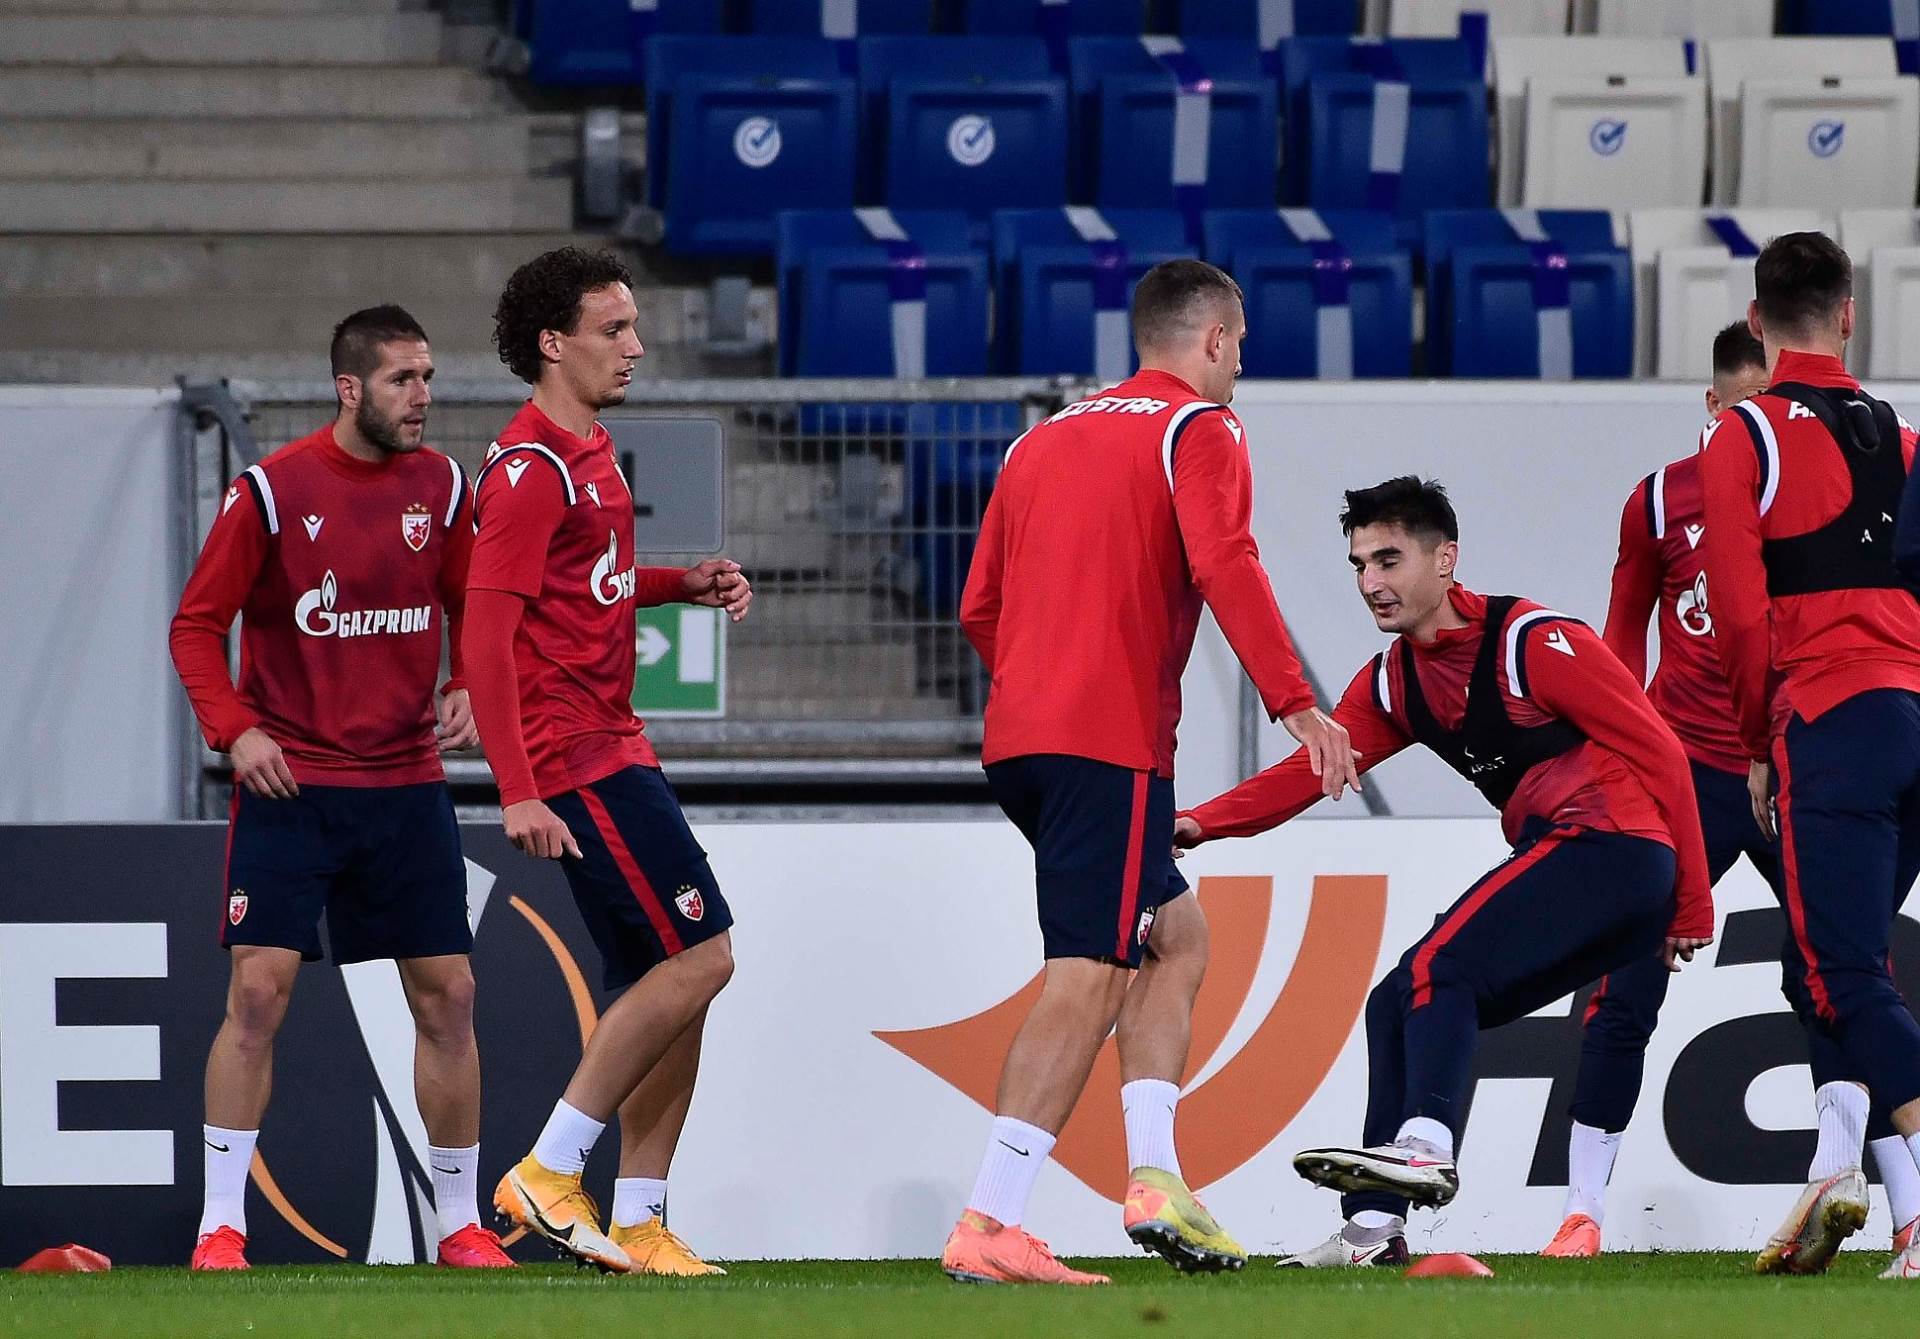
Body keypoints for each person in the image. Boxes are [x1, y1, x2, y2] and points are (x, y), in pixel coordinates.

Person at [1173, 476, 1713, 1268]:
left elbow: (1662, 751)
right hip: (1585, 862)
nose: (1370, 583)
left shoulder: (1534, 640)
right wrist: (1199, 822)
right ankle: (1372, 1232)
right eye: (1359, 564)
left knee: (1435, 969)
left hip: (1619, 852)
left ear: (1446, 558)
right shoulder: (1393, 680)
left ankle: (1424, 1146)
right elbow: (1307, 771)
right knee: (1394, 1001)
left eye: (1388, 559)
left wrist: (1691, 904)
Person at [945, 258, 1357, 1286]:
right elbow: (1227, 561)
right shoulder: (1198, 430)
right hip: (1108, 742)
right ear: (1214, 339)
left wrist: (1044, 683)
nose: (1240, 370)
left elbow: (977, 607)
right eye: (1242, 349)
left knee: (1174, 934)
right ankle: (992, 1218)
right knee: (1089, 972)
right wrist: (1295, 699)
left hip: (1022, 740)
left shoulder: (1042, 437)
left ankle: (1156, 1175)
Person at [1550, 322, 1920, 1259]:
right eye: (1742, 405)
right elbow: (1619, 638)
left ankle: (1863, 1186)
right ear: (1714, 410)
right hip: (1694, 773)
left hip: (1795, 750)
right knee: (1625, 971)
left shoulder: (1813, 470)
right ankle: (1581, 1211)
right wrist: (1626, 760)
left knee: (1833, 970)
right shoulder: (1659, 503)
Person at [169, 306, 509, 1271]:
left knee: (450, 996)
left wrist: (467, 680)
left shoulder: (443, 485)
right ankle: (221, 1227)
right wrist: (236, 728)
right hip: (294, 791)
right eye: (404, 380)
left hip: (406, 786)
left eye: (429, 377)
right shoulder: (272, 492)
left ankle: (460, 1226)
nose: (424, 398)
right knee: (259, 994)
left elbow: (476, 604)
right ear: (349, 388)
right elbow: (196, 626)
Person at [465, 247, 752, 1277]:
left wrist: (682, 581)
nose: (636, 346)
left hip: (613, 739)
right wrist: (519, 787)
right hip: (578, 758)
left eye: (633, 326)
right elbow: (485, 638)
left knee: (669, 978)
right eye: (613, 329)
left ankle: (637, 1219)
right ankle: (547, 1169)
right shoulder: (530, 469)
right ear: (554, 342)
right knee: (703, 956)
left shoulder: (590, 451)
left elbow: (590, 584)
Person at [1700, 231, 1920, 1280]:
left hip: (1833, 724)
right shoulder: (1906, 438)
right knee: (1837, 965)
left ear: (1756, 322)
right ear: (1848, 315)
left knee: (1843, 969)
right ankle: (1848, 1177)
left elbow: (1740, 620)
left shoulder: (1742, 436)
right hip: (1916, 714)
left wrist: (1754, 744)